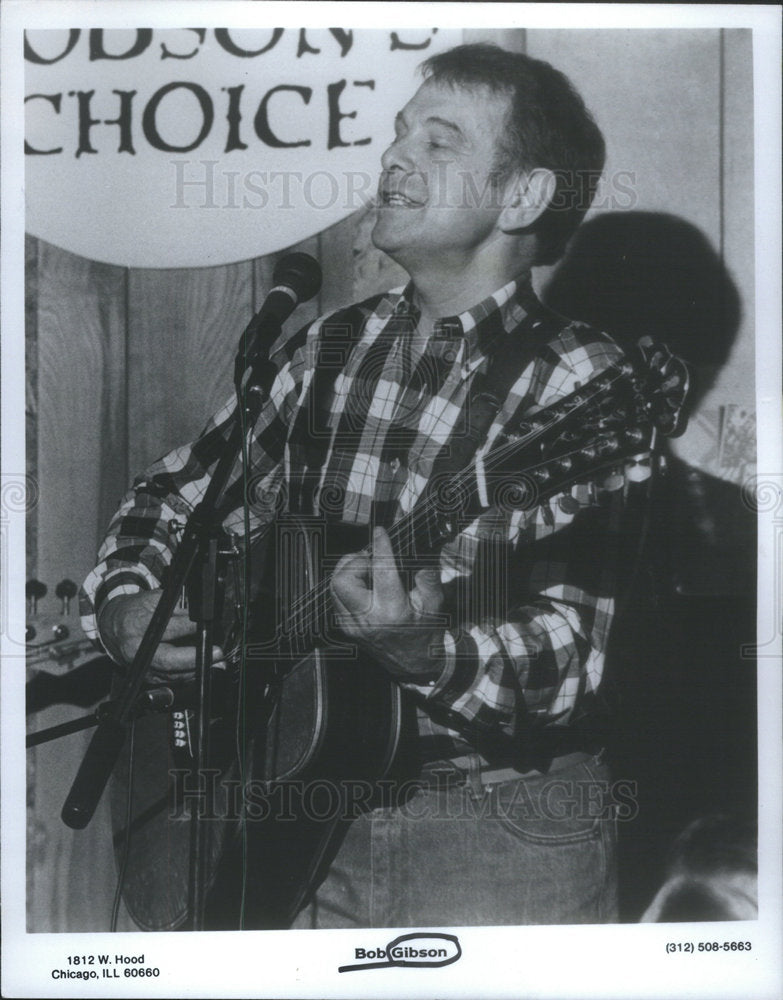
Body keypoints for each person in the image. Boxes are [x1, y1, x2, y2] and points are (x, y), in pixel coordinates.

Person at [81, 43, 627, 928]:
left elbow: (579, 654)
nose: (395, 157)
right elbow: (176, 491)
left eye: (439, 142)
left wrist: (425, 653)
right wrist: (126, 604)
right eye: (399, 134)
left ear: (521, 196)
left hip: (497, 830)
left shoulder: (579, 386)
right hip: (297, 806)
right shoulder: (330, 344)